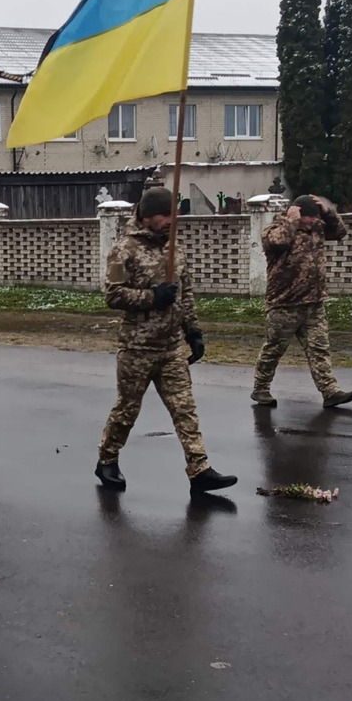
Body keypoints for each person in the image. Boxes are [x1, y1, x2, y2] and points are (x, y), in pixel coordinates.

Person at [95, 186, 237, 494]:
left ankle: (199, 469)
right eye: (164, 214)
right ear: (147, 217)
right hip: (137, 347)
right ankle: (107, 459)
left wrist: (193, 331)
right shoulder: (124, 250)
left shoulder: (176, 249)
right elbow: (113, 295)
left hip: (171, 347)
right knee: (127, 410)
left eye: (174, 213)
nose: (171, 220)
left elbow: (185, 295)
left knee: (184, 408)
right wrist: (152, 297)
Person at [250, 195, 352, 408]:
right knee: (274, 349)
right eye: (309, 218)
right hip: (284, 304)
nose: (312, 222)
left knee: (319, 348)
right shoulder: (275, 230)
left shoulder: (317, 229)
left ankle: (330, 391)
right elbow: (278, 243)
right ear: (297, 213)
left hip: (313, 302)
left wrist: (328, 213)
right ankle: (260, 389)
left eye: (314, 218)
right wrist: (292, 221)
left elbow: (340, 232)